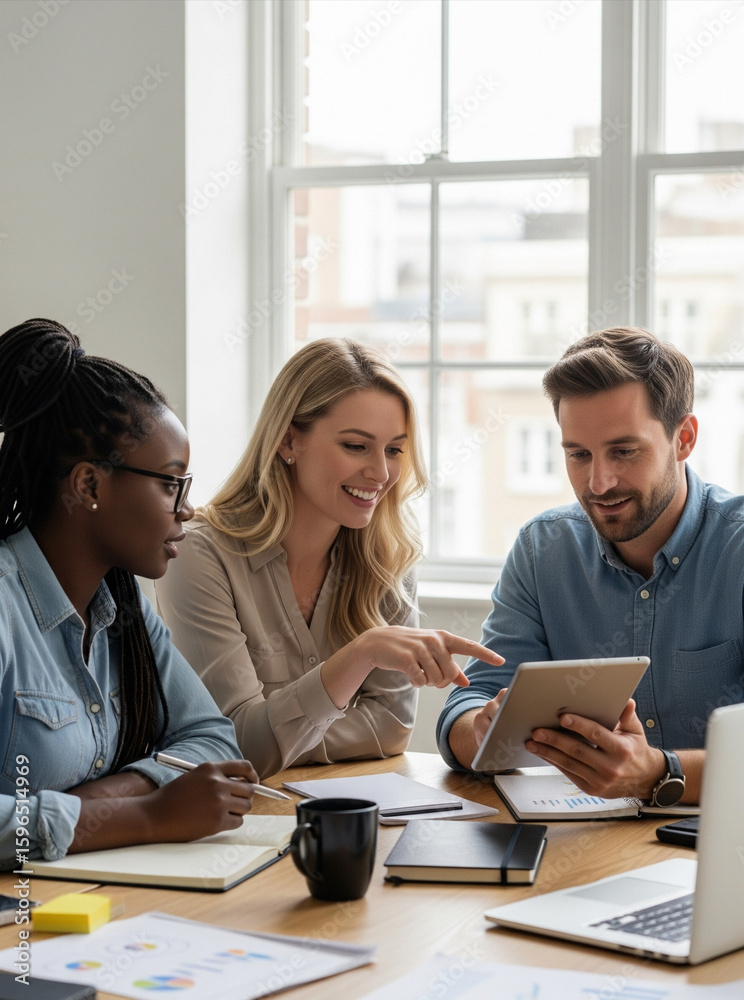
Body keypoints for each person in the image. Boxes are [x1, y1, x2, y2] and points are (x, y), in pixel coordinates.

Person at [156, 338, 503, 778]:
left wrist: (278, 735)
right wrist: (361, 654)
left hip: (342, 804)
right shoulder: (197, 553)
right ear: (288, 441)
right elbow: (236, 745)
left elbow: (392, 729)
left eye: (394, 450)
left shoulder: (388, 557)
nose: (381, 473)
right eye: (356, 446)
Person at [437, 326, 744, 805]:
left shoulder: (736, 548)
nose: (598, 483)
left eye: (624, 451)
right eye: (578, 455)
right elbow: (471, 700)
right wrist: (479, 732)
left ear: (683, 438)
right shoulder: (543, 551)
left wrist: (659, 773)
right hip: (588, 837)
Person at [0, 318, 260, 870]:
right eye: (170, 483)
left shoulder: (124, 603)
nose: (188, 509)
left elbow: (212, 738)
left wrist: (98, 805)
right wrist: (147, 816)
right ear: (89, 485)